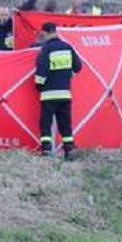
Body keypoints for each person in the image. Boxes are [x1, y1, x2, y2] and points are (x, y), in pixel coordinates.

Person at [35, 22, 82, 159]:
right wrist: (67, 76)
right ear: (56, 31)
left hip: (48, 95)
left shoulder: (46, 49)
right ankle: (69, 150)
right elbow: (78, 67)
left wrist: (38, 86)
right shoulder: (67, 47)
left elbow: (41, 72)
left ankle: (46, 150)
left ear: (44, 33)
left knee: (46, 123)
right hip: (65, 94)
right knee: (65, 123)